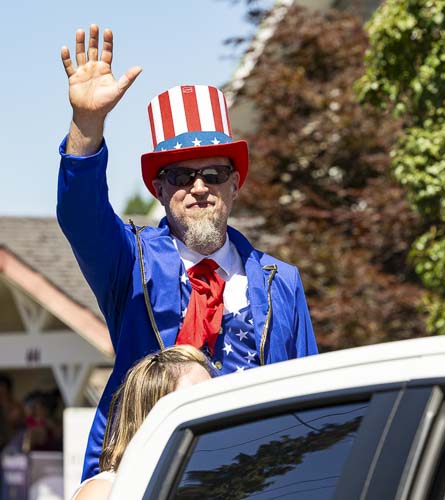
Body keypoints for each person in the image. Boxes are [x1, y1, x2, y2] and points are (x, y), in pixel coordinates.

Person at [58, 24, 319, 480]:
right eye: (180, 177)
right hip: (146, 475)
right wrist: (87, 124)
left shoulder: (283, 281)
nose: (198, 188)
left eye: (214, 173)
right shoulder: (130, 260)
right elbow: (80, 214)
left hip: (258, 480)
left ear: (235, 185)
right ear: (159, 190)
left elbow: (312, 400)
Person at [72, 345, 212, 500]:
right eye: (194, 400)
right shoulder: (104, 492)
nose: (210, 408)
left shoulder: (211, 481)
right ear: (153, 413)